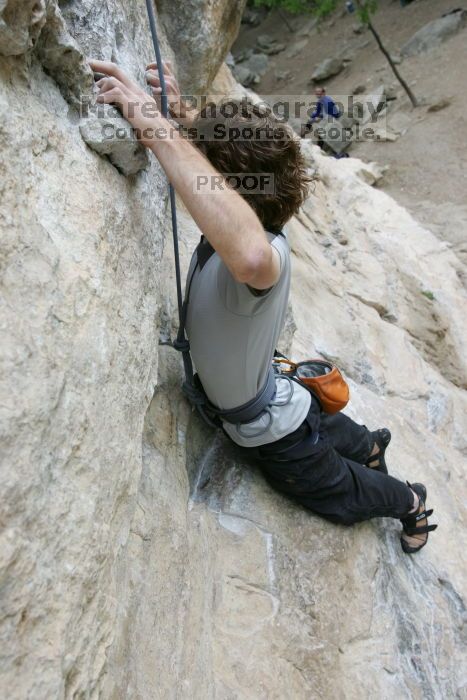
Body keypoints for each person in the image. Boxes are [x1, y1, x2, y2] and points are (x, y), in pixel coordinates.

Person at [90, 59, 437, 554]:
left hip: (277, 433)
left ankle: (410, 500)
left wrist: (155, 125)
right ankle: (371, 446)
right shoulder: (265, 217)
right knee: (323, 425)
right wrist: (188, 120)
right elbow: (240, 184)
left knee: (339, 492)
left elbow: (245, 245)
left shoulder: (260, 260)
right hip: (278, 394)